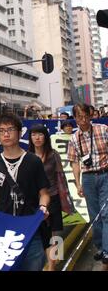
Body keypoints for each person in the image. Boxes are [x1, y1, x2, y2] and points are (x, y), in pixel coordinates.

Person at [0, 113, 50, 271]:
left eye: (10, 129)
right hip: (4, 232)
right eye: (1, 130)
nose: (6, 134)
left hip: (31, 228)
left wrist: (43, 206)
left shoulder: (33, 161)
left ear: (19, 132)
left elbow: (44, 193)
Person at [67, 103, 108, 267]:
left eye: (86, 116)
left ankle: (106, 250)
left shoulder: (103, 129)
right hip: (88, 179)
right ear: (75, 118)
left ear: (91, 115)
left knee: (106, 214)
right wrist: (78, 184)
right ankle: (100, 246)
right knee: (95, 215)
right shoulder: (73, 138)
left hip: (105, 174)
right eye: (79, 117)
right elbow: (74, 163)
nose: (83, 120)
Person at [28, 124, 65, 271]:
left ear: (45, 137)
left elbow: (60, 177)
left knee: (56, 233)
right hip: (36, 201)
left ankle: (52, 266)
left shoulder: (53, 154)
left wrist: (65, 199)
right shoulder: (27, 156)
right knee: (43, 234)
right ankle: (49, 262)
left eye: (40, 134)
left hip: (54, 196)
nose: (37, 138)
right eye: (34, 135)